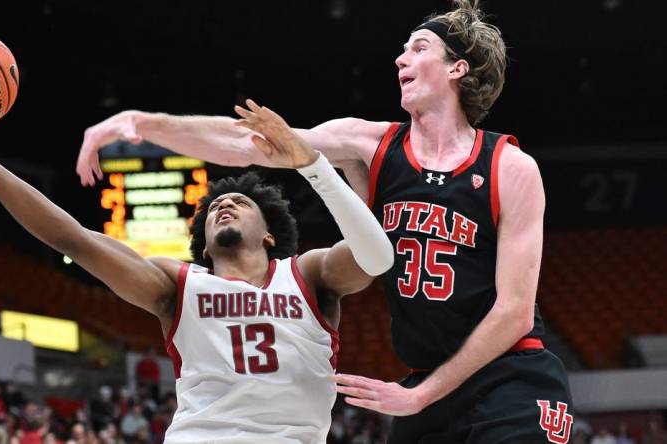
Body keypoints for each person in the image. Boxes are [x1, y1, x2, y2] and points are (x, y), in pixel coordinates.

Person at [75, 1, 574, 442]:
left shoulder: (509, 167)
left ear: (457, 68)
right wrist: (143, 125)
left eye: (418, 47)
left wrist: (420, 396)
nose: (400, 58)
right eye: (401, 49)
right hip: (425, 380)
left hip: (509, 377)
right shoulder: (369, 145)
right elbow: (249, 142)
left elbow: (515, 313)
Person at [0, 78, 393, 443]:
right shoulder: (178, 284)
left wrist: (315, 165)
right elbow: (72, 238)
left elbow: (375, 256)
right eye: (211, 212)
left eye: (240, 204)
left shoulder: (308, 275)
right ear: (204, 248)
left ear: (270, 235)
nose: (224, 206)